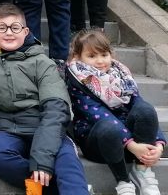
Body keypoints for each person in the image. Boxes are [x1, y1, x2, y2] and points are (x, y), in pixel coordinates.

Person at [0, 3, 89, 192]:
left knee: (66, 162)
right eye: (1, 27)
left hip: (45, 125)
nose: (9, 33)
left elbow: (56, 109)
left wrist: (42, 158)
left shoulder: (43, 63)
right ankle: (51, 188)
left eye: (15, 27)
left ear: (25, 31)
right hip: (7, 128)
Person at [66, 29, 164, 195]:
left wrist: (159, 144)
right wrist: (132, 145)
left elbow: (141, 108)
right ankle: (123, 182)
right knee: (108, 126)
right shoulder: (79, 79)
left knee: (145, 109)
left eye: (104, 55)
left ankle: (142, 170)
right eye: (91, 56)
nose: (100, 61)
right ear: (77, 56)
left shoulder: (121, 74)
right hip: (99, 142)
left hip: (133, 147)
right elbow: (97, 113)